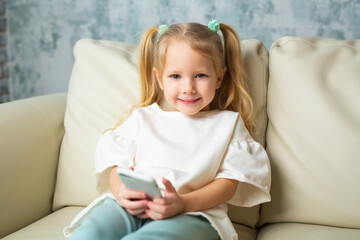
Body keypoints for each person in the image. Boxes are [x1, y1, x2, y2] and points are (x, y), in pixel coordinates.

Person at [64, 20, 271, 240]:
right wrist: (120, 192)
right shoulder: (144, 118)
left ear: (219, 78)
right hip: (134, 206)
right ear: (159, 79)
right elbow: (116, 166)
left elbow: (228, 185)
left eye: (200, 75)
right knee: (90, 233)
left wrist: (183, 204)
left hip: (194, 213)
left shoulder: (227, 124)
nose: (188, 87)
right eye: (175, 76)